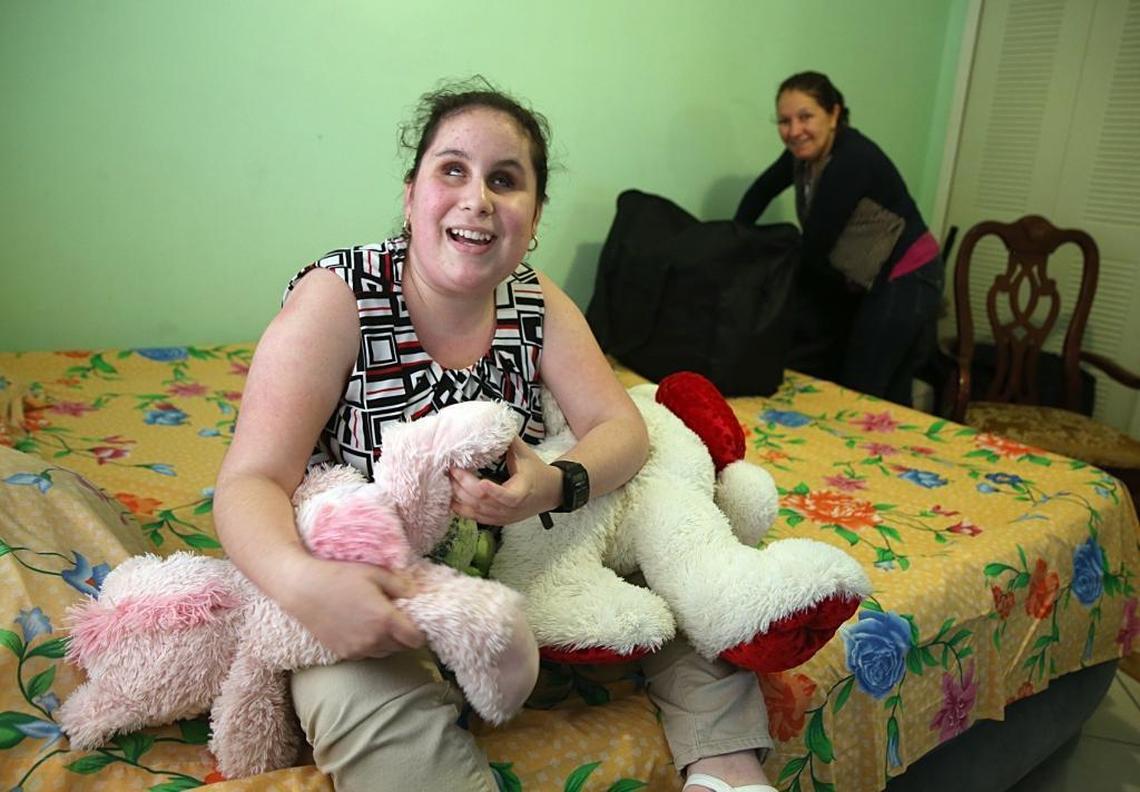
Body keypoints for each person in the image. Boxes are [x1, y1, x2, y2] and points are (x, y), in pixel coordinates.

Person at [213, 78, 777, 792]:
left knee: (681, 568)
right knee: (350, 689)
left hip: (521, 567)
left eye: (505, 180)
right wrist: (305, 584)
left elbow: (621, 429)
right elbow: (249, 481)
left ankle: (727, 770)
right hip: (385, 581)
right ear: (412, 193)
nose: (477, 197)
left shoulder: (534, 301)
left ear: (533, 217)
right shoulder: (339, 299)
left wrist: (556, 484)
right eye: (452, 169)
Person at [735, 71, 944, 407]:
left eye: (806, 117)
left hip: (908, 276)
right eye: (784, 121)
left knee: (864, 387)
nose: (794, 130)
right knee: (885, 392)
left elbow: (816, 245)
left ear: (834, 114)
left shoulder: (851, 160)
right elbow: (759, 193)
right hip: (872, 274)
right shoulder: (802, 154)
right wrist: (735, 236)